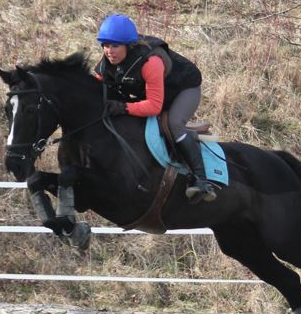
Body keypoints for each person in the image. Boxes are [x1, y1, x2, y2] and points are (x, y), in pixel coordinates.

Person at [92, 13, 216, 203]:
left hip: (184, 89)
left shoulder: (151, 62)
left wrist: (124, 107)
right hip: (158, 92)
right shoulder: (107, 62)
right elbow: (95, 87)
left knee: (174, 123)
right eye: (106, 46)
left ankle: (201, 180)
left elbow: (154, 107)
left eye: (115, 46)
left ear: (128, 45)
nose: (109, 51)